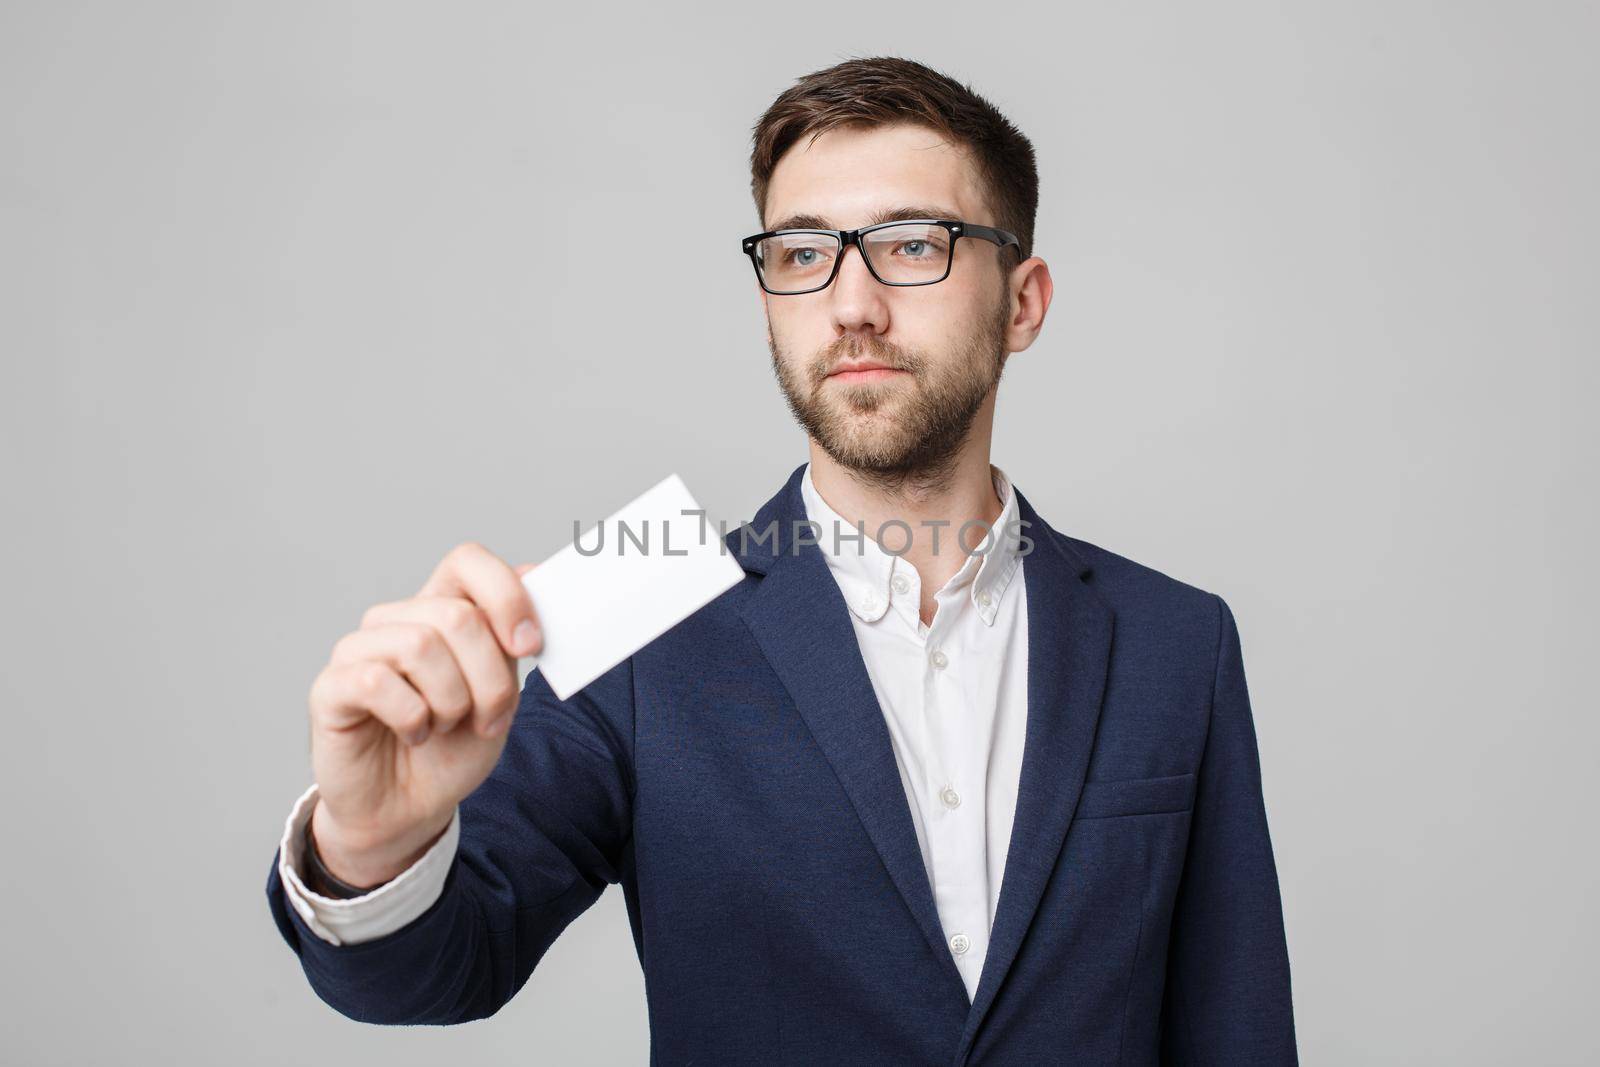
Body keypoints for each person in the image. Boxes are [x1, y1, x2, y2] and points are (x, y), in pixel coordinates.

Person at [265, 55, 1298, 1064]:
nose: (850, 304)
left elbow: (1235, 1027)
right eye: (804, 254)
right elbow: (446, 964)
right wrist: (368, 843)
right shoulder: (646, 619)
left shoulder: (1176, 639)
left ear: (1021, 302)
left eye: (910, 244)